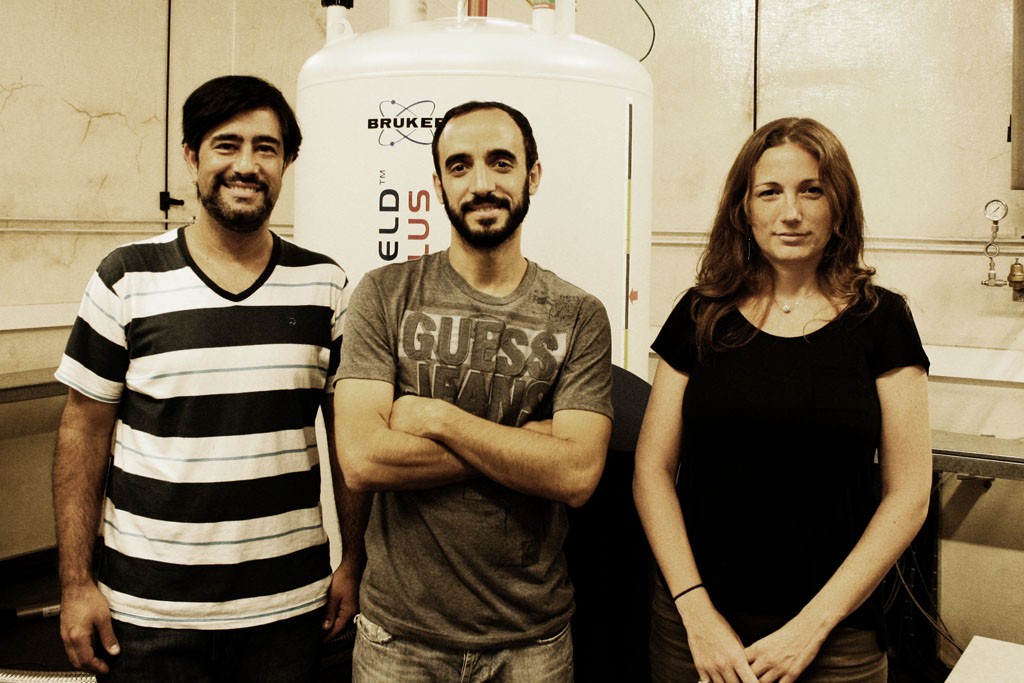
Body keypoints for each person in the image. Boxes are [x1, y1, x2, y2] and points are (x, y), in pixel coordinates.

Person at [51, 75, 366, 681]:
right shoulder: (126, 277)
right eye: (227, 145)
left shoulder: (326, 285)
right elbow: (81, 434)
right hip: (145, 617)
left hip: (288, 611)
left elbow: (346, 441)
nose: (246, 165)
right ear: (192, 156)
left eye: (266, 148)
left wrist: (354, 560)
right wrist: (75, 583)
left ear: (287, 163)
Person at [633, 117, 932, 683]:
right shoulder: (700, 315)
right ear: (743, 210)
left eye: (811, 190)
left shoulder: (883, 320)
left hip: (835, 638)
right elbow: (651, 470)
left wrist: (812, 627)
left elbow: (909, 494)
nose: (790, 211)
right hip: (696, 631)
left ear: (838, 207)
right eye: (769, 191)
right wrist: (695, 612)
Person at [335, 100, 613, 682]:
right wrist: (527, 445)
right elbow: (361, 459)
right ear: (438, 184)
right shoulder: (384, 295)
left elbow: (577, 475)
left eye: (501, 162)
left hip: (531, 641)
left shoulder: (579, 314)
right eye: (460, 166)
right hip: (399, 641)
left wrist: (438, 419)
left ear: (532, 174)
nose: (481, 183)